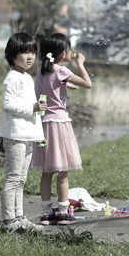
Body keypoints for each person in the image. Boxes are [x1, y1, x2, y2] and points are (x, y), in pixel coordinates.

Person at [33, 33, 92, 226]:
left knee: (46, 171)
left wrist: (67, 85)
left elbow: (44, 93)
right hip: (60, 124)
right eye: (68, 48)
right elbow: (88, 84)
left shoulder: (42, 71)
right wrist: (80, 63)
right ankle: (64, 212)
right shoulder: (62, 70)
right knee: (62, 171)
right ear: (61, 53)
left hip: (43, 124)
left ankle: (46, 212)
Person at [0, 32, 46, 232]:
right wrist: (32, 108)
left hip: (27, 135)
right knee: (13, 178)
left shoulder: (26, 77)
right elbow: (6, 103)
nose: (30, 57)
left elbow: (29, 107)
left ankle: (19, 217)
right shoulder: (12, 77)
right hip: (15, 135)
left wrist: (39, 134)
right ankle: (8, 221)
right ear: (12, 54)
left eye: (33, 52)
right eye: (25, 52)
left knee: (21, 179)